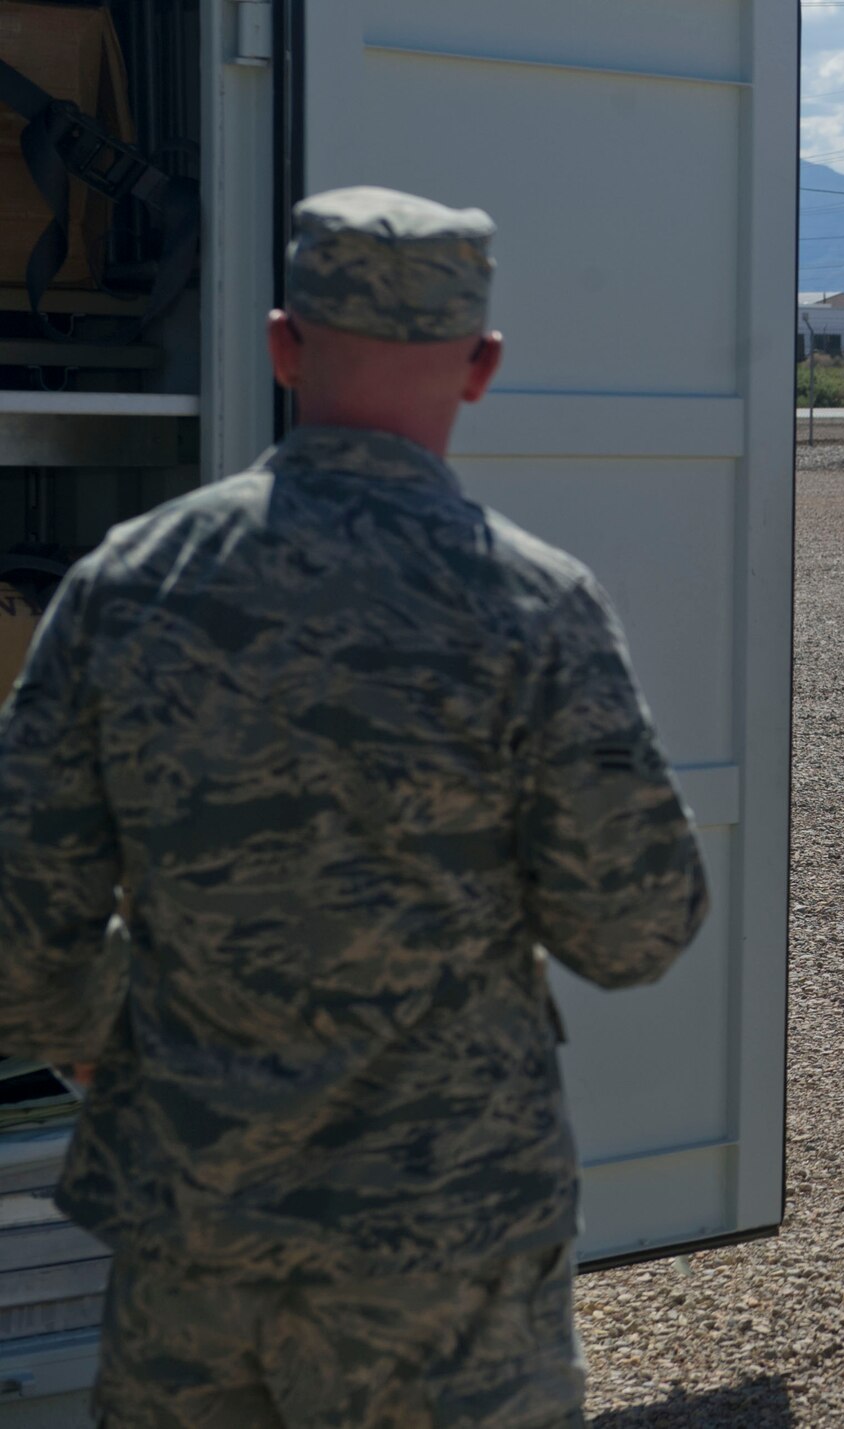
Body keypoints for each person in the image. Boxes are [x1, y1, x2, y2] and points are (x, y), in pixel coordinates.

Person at [0, 185, 710, 1428]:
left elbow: (18, 932)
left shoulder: (127, 583)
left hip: (192, 1235)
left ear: (282, 345)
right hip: (446, 1247)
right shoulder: (534, 606)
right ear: (480, 365)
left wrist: (115, 1020)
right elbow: (635, 931)